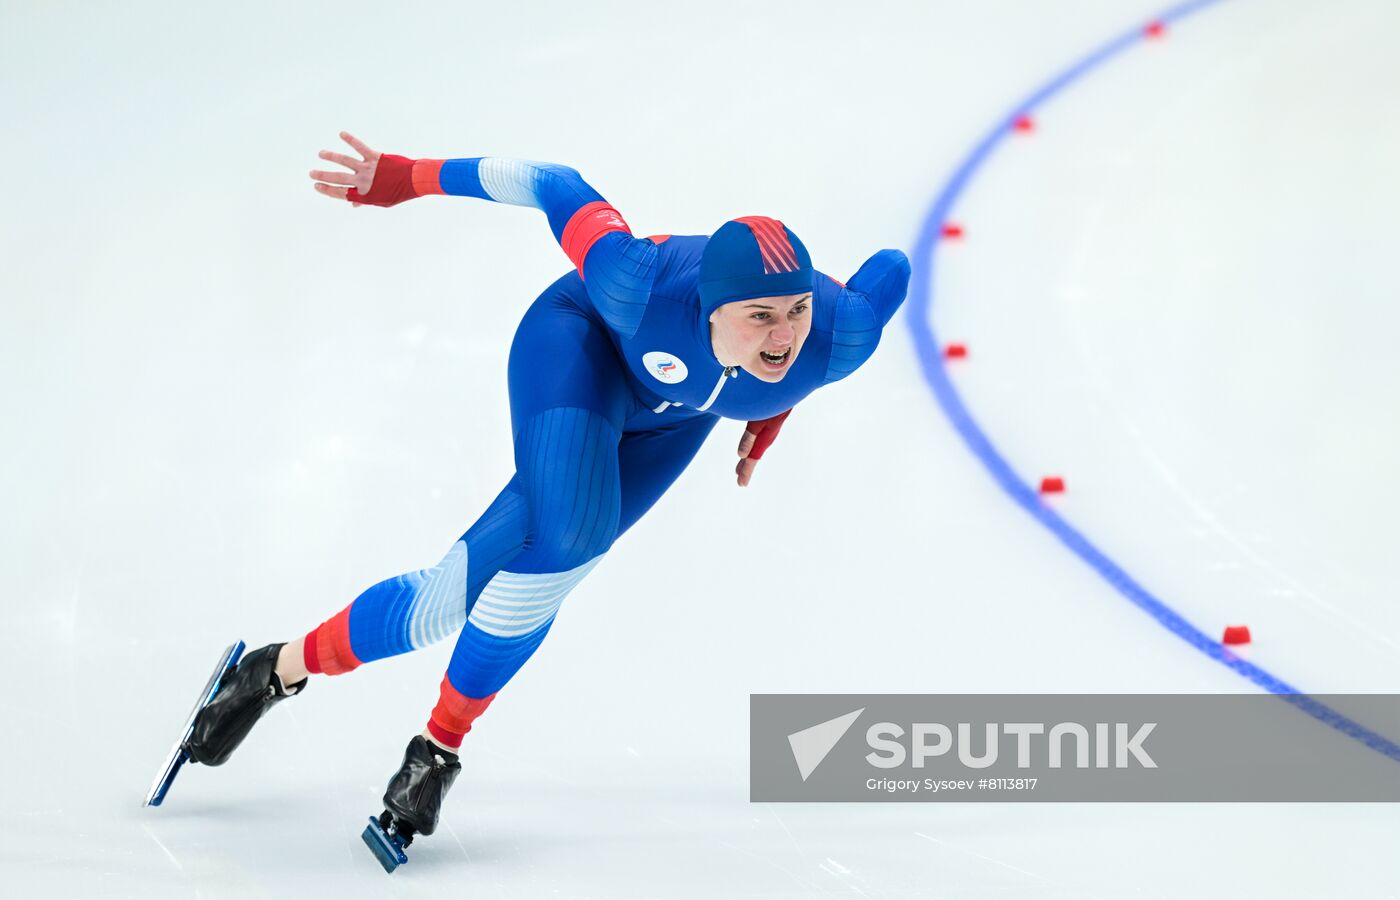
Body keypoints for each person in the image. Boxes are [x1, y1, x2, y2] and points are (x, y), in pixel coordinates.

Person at [183, 132, 911, 848]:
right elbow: (551, 182)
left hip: (674, 418)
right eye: (760, 317)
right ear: (711, 310)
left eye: (796, 311)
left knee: (447, 600)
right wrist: (406, 176)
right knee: (570, 542)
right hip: (578, 349)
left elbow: (893, 267)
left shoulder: (836, 335)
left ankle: (280, 674)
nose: (784, 335)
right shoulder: (636, 280)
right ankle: (431, 747)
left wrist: (777, 400)